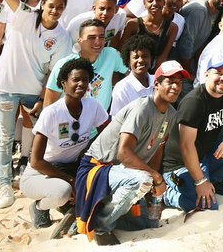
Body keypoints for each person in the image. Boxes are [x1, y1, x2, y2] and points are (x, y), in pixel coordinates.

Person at [0, 0, 71, 209]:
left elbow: (55, 72)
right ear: (43, 4)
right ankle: (5, 184)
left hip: (32, 91)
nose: (55, 11)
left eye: (60, 8)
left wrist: (43, 98)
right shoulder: (25, 14)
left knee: (36, 134)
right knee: (4, 137)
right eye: (51, 6)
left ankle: (27, 171)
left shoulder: (62, 36)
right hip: (5, 86)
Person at [78, 61, 185, 244]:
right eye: (170, 81)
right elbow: (124, 154)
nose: (176, 87)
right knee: (142, 180)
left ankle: (98, 211)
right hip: (98, 168)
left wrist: (154, 186)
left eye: (179, 83)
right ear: (157, 84)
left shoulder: (171, 114)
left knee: (149, 223)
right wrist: (155, 177)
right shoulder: (141, 108)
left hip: (125, 172)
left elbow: (158, 150)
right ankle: (100, 226)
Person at [23, 57, 111, 229]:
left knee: (99, 185)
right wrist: (71, 181)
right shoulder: (51, 113)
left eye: (85, 80)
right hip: (40, 172)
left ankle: (69, 206)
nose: (81, 84)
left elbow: (108, 136)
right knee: (62, 192)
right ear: (63, 83)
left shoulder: (93, 106)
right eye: (76, 79)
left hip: (72, 168)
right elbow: (36, 161)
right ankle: (39, 207)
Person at [161, 57, 223, 212]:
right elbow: (186, 146)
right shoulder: (193, 102)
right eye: (219, 73)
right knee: (208, 206)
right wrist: (200, 181)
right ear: (206, 74)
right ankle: (168, 195)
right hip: (179, 165)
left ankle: (212, 181)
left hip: (203, 156)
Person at [44, 19, 127, 113]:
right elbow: (49, 104)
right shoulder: (63, 65)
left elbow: (132, 73)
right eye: (91, 37)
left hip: (100, 120)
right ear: (79, 41)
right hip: (69, 120)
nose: (97, 42)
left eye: (101, 37)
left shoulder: (111, 55)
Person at [110, 35, 156, 116]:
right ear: (128, 61)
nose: (140, 60)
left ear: (151, 59)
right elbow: (117, 119)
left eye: (145, 56)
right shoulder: (122, 88)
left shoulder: (158, 81)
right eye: (136, 57)